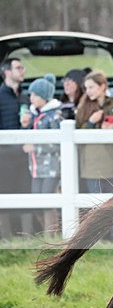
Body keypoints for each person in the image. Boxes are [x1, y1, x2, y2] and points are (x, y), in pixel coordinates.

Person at [75, 70, 113, 240]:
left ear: (102, 86)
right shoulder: (82, 108)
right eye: (86, 88)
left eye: (91, 87)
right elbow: (76, 134)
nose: (88, 91)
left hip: (112, 162)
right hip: (91, 164)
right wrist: (91, 122)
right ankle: (97, 239)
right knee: (95, 205)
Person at [22, 74, 62, 236]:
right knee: (36, 201)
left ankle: (50, 235)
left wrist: (35, 146)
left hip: (51, 167)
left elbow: (57, 142)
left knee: (47, 201)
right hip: (37, 167)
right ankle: (52, 231)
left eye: (34, 95)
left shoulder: (54, 116)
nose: (30, 98)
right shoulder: (34, 116)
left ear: (44, 97)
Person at [0, 57, 35, 239]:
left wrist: (26, 126)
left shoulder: (25, 97)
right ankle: (5, 237)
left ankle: (27, 237)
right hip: (4, 158)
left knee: (26, 194)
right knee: (3, 194)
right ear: (7, 72)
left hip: (23, 158)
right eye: (18, 68)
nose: (23, 71)